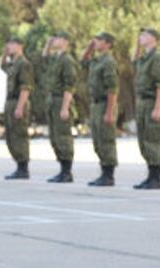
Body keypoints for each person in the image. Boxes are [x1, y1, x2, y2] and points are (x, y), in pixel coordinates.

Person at [81, 32, 119, 186]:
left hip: (105, 104)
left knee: (106, 140)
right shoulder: (96, 61)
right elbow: (83, 61)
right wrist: (89, 48)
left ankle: (109, 175)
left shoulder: (108, 62)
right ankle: (103, 173)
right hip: (96, 104)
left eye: (99, 40)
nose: (95, 41)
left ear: (108, 44)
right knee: (97, 140)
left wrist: (109, 112)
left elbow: (112, 89)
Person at [133, 28, 160, 190]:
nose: (141, 37)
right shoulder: (144, 58)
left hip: (152, 101)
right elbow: (134, 61)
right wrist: (138, 45)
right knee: (144, 141)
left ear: (154, 39)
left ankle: (156, 178)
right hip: (142, 103)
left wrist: (157, 107)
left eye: (145, 35)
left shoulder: (156, 57)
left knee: (153, 140)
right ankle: (150, 176)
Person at [43, 31, 78, 183]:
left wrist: (65, 107)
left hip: (61, 100)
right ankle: (62, 170)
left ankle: (67, 171)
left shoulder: (67, 60)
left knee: (63, 137)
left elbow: (69, 86)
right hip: (53, 100)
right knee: (55, 137)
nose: (53, 40)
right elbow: (44, 59)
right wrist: (48, 44)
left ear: (65, 41)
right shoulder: (55, 59)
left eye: (56, 38)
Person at [1, 37, 33, 180]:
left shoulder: (23, 64)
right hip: (10, 102)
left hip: (18, 101)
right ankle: (19, 165)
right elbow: (3, 66)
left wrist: (20, 107)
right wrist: (4, 53)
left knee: (19, 135)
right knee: (10, 135)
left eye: (12, 44)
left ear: (20, 46)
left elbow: (25, 88)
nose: (9, 47)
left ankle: (23, 168)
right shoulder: (13, 64)